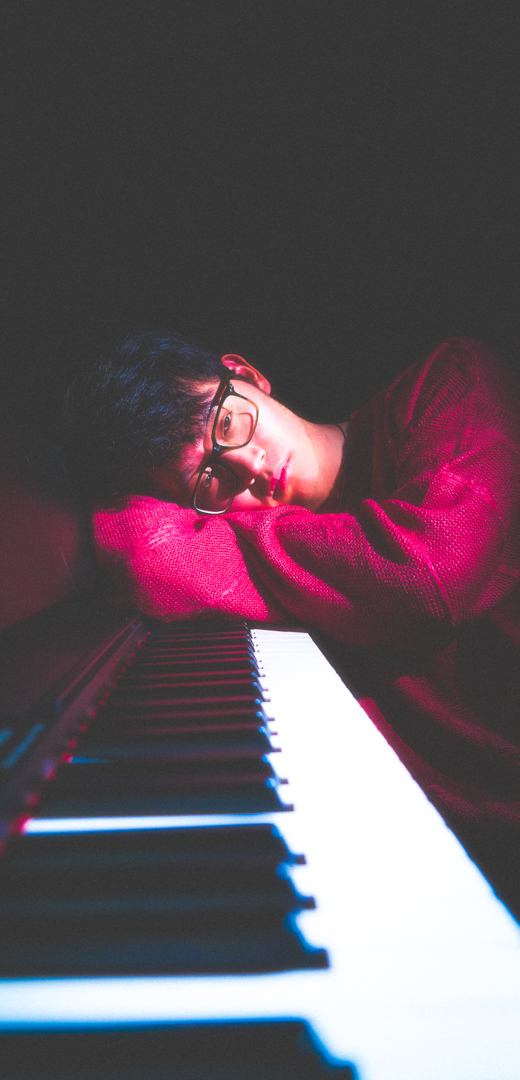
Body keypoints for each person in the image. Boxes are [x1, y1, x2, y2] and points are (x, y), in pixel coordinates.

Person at [64, 331, 520, 917]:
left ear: (246, 374)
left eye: (228, 424)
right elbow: (139, 547)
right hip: (457, 883)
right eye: (208, 479)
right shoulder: (277, 563)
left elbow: (427, 574)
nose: (249, 467)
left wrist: (241, 541)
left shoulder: (452, 380)